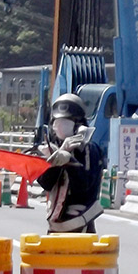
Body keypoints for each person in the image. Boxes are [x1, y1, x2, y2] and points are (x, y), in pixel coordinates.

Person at [36, 93, 104, 233]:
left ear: (78, 125)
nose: (59, 127)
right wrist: (54, 162)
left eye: (66, 122)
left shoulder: (88, 149)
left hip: (80, 225)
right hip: (55, 225)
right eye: (57, 122)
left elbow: (84, 185)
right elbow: (46, 183)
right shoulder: (53, 148)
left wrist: (70, 161)